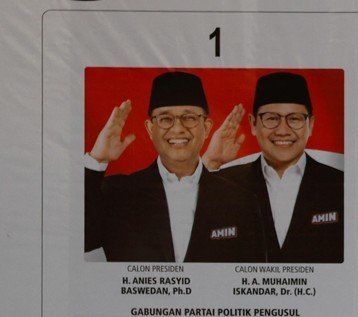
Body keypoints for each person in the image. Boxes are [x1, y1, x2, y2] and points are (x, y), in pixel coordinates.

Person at [84, 71, 265, 263]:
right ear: (150, 129)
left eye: (189, 117)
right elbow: (80, 239)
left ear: (207, 127)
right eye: (165, 119)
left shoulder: (240, 200)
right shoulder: (115, 194)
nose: (178, 128)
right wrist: (98, 159)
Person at [206, 72, 344, 263]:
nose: (282, 130)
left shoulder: (341, 185)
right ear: (253, 124)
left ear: (310, 125)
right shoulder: (224, 182)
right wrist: (210, 163)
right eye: (271, 118)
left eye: (294, 118)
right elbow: (186, 239)